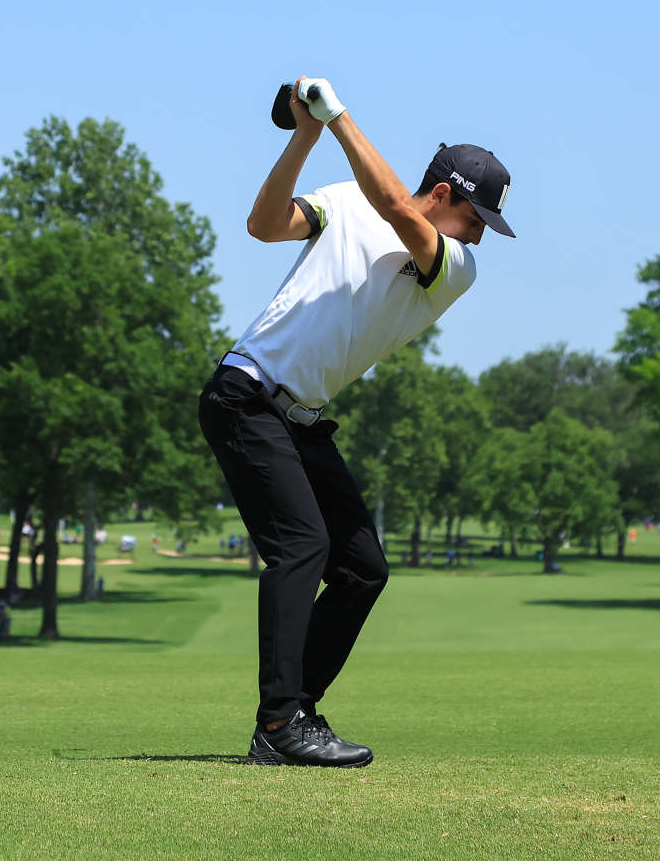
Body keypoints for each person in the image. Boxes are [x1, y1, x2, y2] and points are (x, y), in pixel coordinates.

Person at [199, 76, 511, 769]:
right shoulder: (345, 202)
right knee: (303, 548)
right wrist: (305, 137)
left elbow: (397, 206)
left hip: (301, 419)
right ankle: (281, 725)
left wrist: (335, 113)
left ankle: (294, 711)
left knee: (362, 566)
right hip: (246, 396)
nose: (480, 240)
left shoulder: (453, 265)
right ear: (447, 196)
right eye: (478, 221)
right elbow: (263, 226)